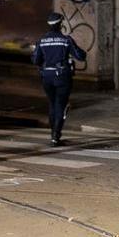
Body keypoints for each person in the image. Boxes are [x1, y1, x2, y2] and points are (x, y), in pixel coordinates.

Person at [31, 13, 88, 147]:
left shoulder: (42, 40)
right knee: (60, 105)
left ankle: (53, 134)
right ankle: (56, 136)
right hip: (62, 76)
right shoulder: (66, 40)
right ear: (61, 24)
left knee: (52, 104)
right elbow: (80, 55)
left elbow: (35, 60)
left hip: (47, 76)